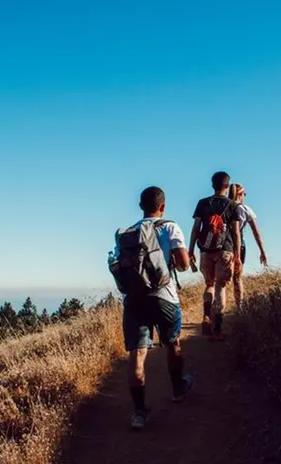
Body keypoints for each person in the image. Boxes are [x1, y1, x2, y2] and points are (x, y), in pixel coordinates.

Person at [111, 186, 195, 430]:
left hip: (135, 299)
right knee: (172, 343)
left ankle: (139, 413)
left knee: (137, 355)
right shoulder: (170, 227)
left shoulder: (128, 234)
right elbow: (182, 265)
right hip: (164, 297)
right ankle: (178, 388)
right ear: (163, 206)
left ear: (140, 206)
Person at [188, 171, 244, 340]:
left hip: (205, 249)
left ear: (212, 185)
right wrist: (238, 255)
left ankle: (206, 315)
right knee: (221, 286)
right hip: (225, 249)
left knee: (209, 284)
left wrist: (191, 250)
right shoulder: (233, 205)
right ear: (227, 187)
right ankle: (218, 329)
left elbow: (196, 228)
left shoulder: (202, 203)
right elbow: (235, 232)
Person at [228, 183, 268, 309]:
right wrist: (262, 251)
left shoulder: (225, 206)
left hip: (224, 246)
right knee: (237, 278)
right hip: (239, 246)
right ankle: (240, 307)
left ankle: (217, 310)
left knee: (220, 280)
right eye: (244, 194)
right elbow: (256, 233)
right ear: (240, 194)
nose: (245, 196)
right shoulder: (245, 209)